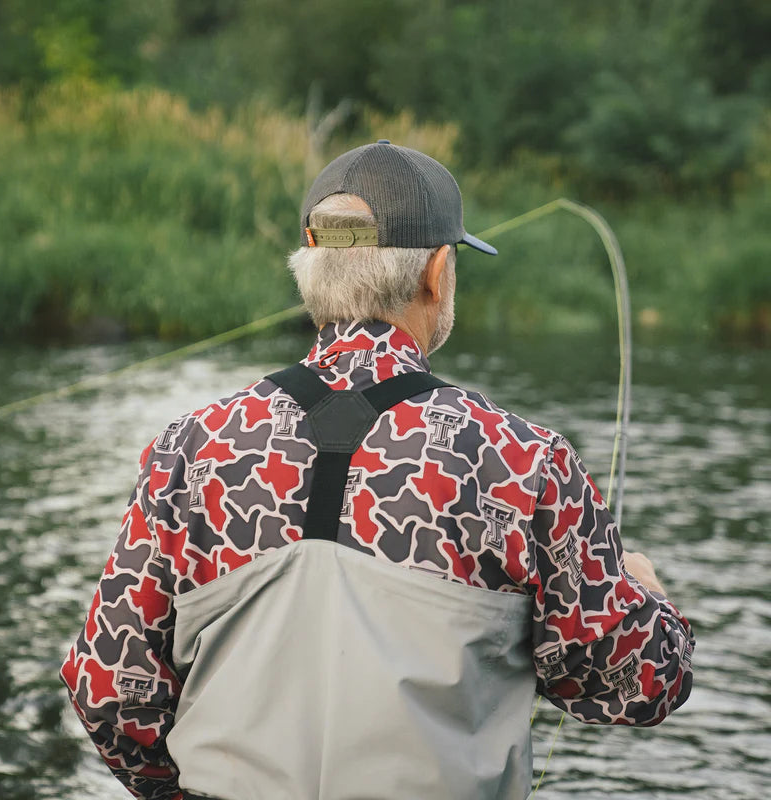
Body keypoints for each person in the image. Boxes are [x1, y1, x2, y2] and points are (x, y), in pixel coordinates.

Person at [61, 140, 694, 800]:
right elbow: (636, 684)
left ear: (310, 266)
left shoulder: (186, 451)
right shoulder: (525, 460)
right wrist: (647, 596)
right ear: (438, 272)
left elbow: (107, 691)